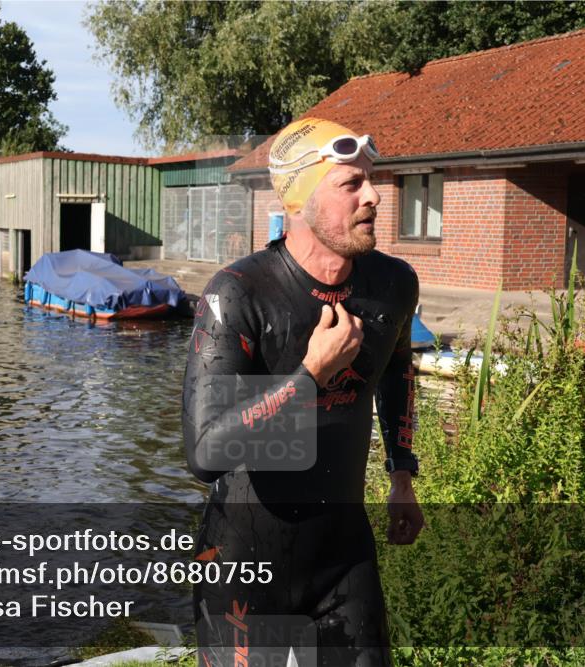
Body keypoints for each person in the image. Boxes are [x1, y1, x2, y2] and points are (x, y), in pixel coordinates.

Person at [182, 117, 422, 666]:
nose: (375, 195)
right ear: (298, 202)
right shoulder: (238, 295)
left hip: (343, 555)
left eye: (371, 178)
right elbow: (204, 453)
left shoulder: (393, 285)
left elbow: (397, 371)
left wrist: (401, 475)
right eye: (350, 184)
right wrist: (311, 378)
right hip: (243, 565)